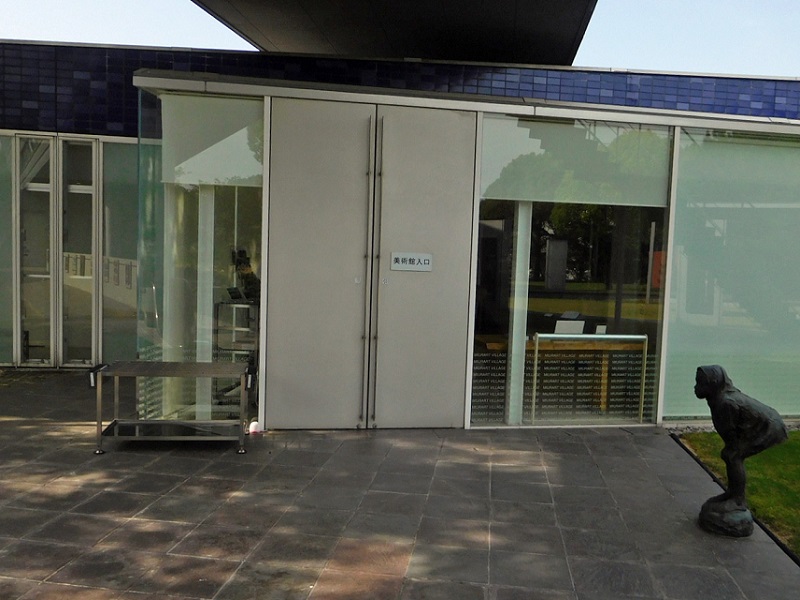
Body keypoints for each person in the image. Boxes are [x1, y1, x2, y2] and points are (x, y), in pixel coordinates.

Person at [694, 365, 788, 507]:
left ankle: (737, 499)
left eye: (700, 383)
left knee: (733, 456)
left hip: (770, 428)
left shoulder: (726, 403)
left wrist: (733, 448)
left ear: (713, 384)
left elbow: (730, 434)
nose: (695, 387)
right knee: (730, 454)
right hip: (761, 424)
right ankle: (732, 493)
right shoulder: (718, 399)